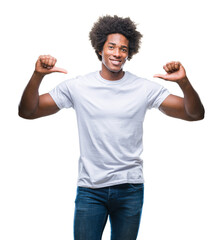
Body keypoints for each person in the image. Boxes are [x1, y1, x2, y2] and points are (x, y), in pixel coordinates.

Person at [18, 15, 205, 240]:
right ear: (100, 49)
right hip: (90, 190)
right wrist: (38, 76)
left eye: (123, 49)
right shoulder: (78, 86)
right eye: (112, 47)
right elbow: (27, 112)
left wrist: (183, 83)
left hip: (130, 189)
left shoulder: (143, 88)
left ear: (129, 53)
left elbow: (195, 114)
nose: (117, 54)